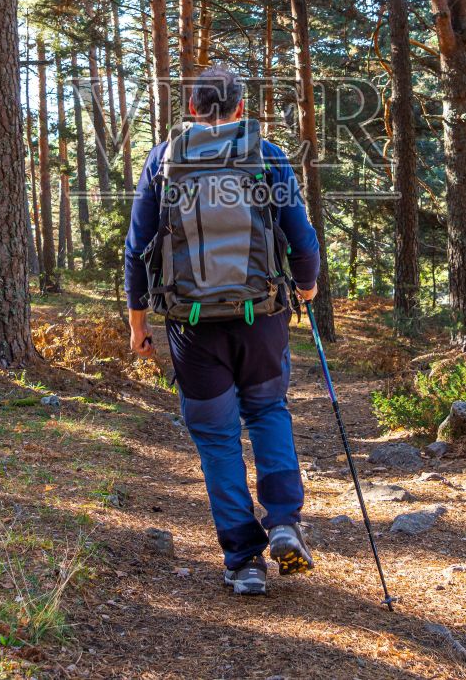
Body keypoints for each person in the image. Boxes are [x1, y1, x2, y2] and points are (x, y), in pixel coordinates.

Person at [124, 66, 321, 596]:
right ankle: (284, 521)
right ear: (239, 109)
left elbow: (137, 248)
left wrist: (137, 322)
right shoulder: (268, 155)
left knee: (216, 438)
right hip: (262, 319)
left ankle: (244, 562)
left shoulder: (163, 161)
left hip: (192, 327)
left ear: (192, 108)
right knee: (267, 411)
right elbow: (301, 239)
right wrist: (306, 288)